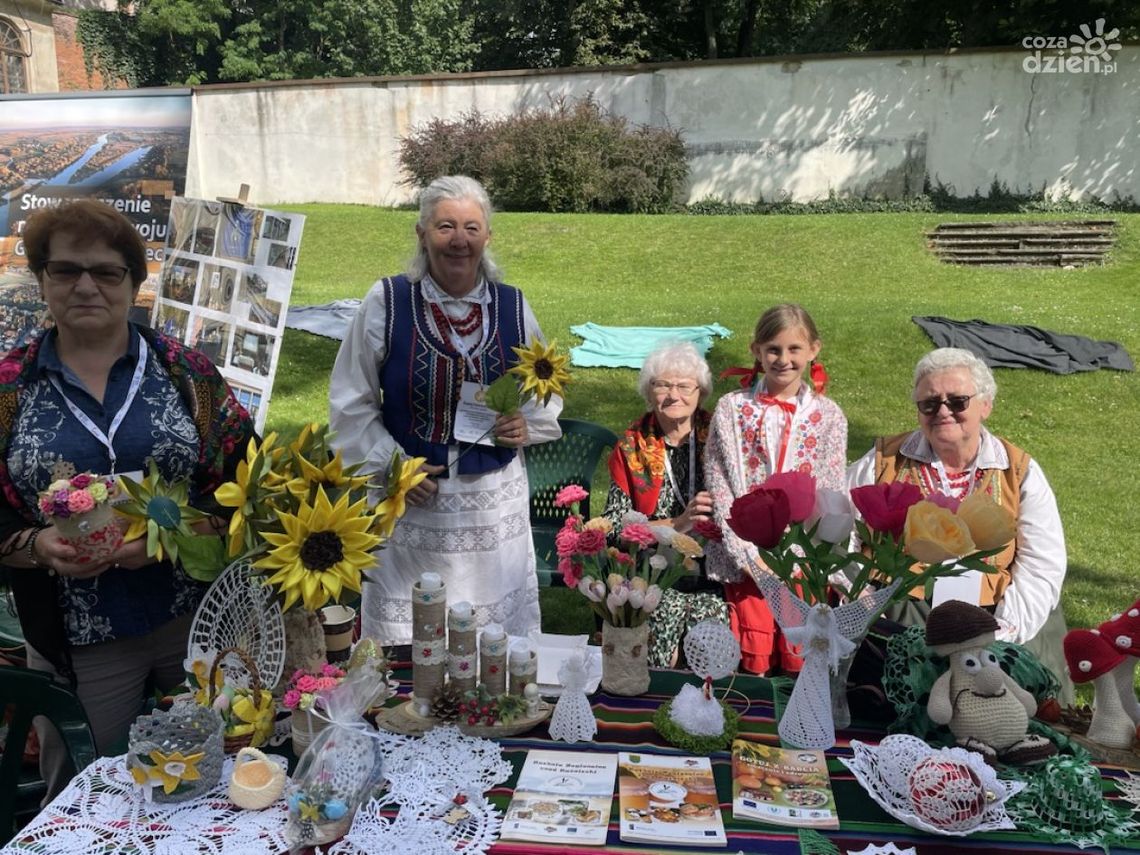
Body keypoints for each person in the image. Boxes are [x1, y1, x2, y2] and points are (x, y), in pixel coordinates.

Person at [0, 200, 255, 797]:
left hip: (195, 621)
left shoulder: (185, 374)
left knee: (225, 771)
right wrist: (35, 545)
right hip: (79, 638)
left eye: (106, 271)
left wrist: (189, 531)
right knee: (89, 794)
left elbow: (251, 480)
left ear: (135, 283)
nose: (85, 285)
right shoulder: (9, 389)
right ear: (41, 280)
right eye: (65, 270)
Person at [329, 175, 562, 645]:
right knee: (413, 638)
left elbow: (542, 388)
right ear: (421, 234)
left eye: (472, 229)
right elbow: (350, 399)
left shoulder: (513, 305)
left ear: (488, 237)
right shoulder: (388, 301)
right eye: (446, 227)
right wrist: (393, 467)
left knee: (494, 640)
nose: (460, 241)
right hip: (415, 503)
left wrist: (525, 424)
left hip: (493, 506)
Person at [845, 346, 1069, 693]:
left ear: (985, 405)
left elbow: (1042, 565)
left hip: (996, 614)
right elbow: (839, 537)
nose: (943, 412)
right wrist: (864, 603)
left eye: (957, 401)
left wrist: (1003, 630)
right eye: (929, 404)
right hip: (900, 614)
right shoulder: (882, 461)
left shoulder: (1019, 470)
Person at [704, 304, 848, 674]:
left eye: (794, 349)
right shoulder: (731, 410)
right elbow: (721, 484)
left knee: (801, 652)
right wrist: (747, 556)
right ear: (756, 351)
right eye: (773, 349)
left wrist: (816, 557)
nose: (783, 359)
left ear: (814, 350)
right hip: (749, 558)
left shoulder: (829, 416)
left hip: (803, 559)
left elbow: (831, 490)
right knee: (754, 647)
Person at [602, 341, 727, 668]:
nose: (674, 395)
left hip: (714, 571)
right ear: (648, 392)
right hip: (653, 570)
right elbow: (615, 529)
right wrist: (677, 524)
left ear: (701, 391)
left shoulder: (723, 438)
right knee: (661, 650)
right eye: (662, 385)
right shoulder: (632, 447)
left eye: (685, 386)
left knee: (711, 649)